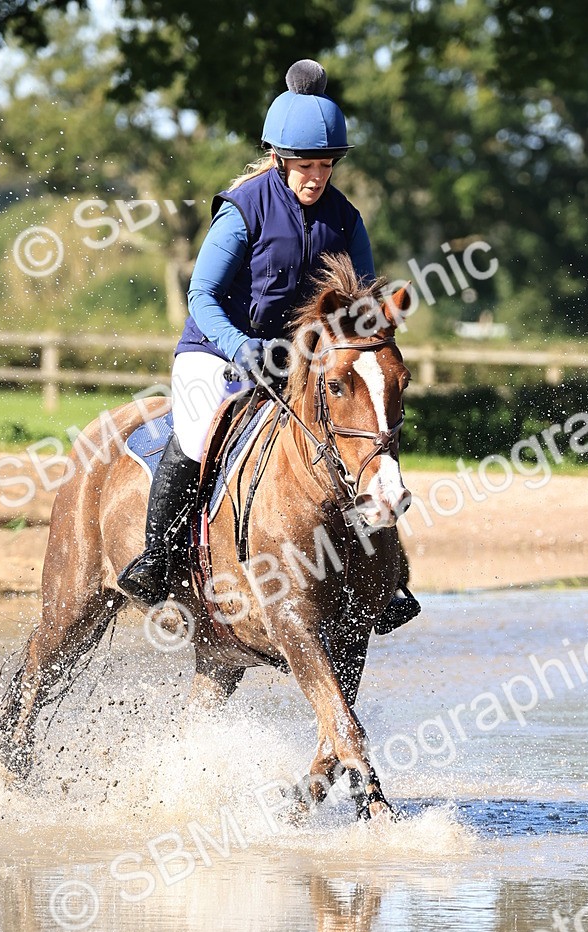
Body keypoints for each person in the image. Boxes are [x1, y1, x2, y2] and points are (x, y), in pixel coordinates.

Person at [118, 59, 418, 632]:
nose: (316, 177)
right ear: (281, 160)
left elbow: (359, 308)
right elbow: (202, 295)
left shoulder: (346, 220)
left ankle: (385, 577)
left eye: (326, 165)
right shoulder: (244, 209)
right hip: (217, 350)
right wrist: (241, 347)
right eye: (305, 165)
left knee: (361, 437)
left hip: (302, 363)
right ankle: (158, 559)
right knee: (199, 430)